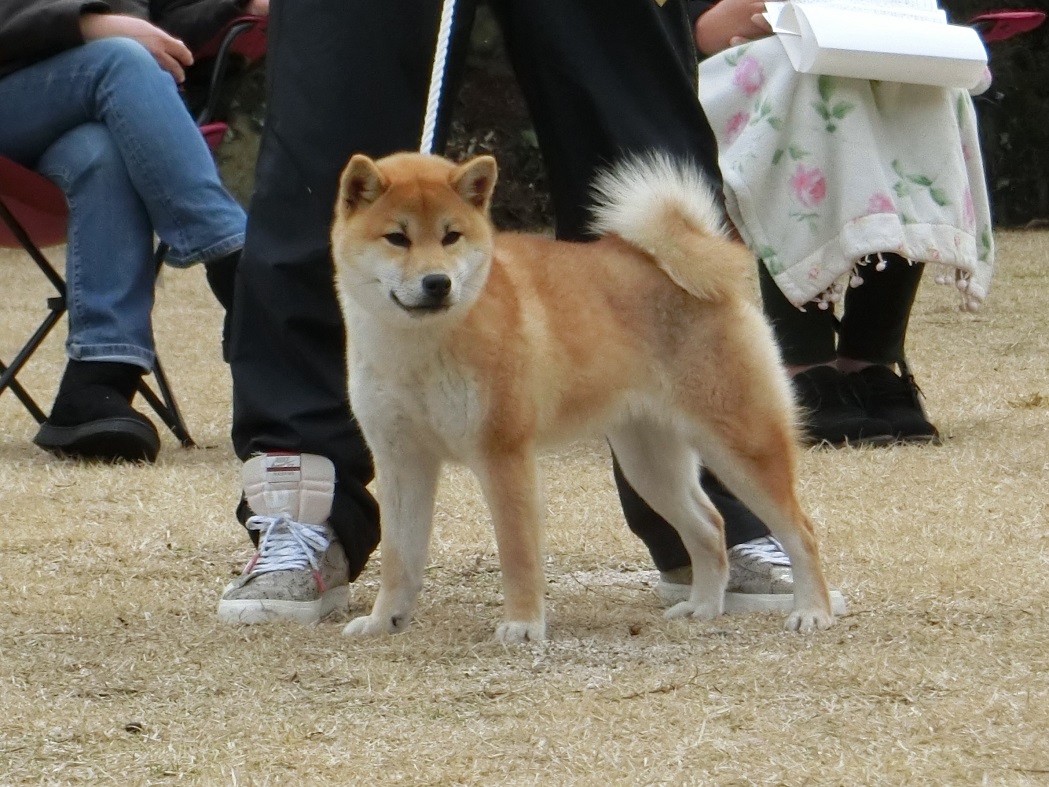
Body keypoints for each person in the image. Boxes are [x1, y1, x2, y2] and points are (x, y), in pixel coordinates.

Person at [215, 0, 825, 626]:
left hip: (665, 332)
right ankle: (304, 504)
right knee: (329, 108)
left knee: (625, 102)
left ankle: (736, 520)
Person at [687, 0, 995, 447]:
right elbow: (703, 29)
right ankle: (803, 365)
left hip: (857, 60)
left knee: (923, 81)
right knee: (812, 85)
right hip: (757, 75)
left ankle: (870, 362)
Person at [0, 0, 248, 463]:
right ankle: (240, 268)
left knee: (102, 153)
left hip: (73, 116)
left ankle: (97, 379)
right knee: (122, 59)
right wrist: (91, 25)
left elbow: (163, 30)